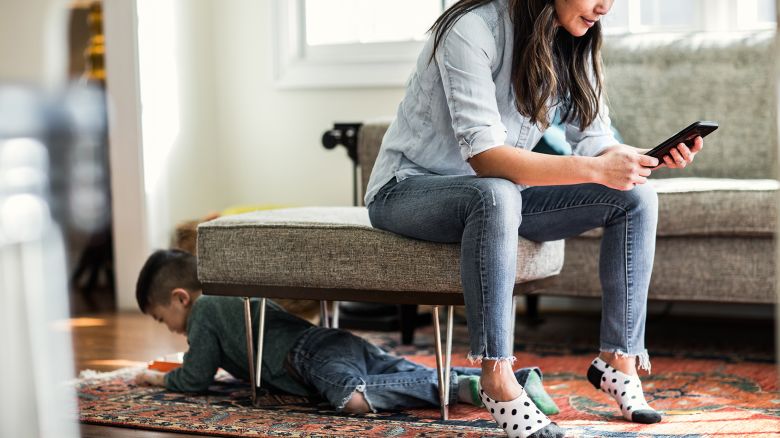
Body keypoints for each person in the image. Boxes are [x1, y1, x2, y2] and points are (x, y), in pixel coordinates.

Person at [365, 0, 705, 436]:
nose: (606, 6)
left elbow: (595, 139)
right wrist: (596, 169)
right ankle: (497, 377)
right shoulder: (471, 29)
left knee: (635, 198)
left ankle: (618, 361)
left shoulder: (574, 38)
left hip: (500, 197)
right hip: (407, 189)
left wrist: (640, 160)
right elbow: (487, 158)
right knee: (495, 193)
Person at [133, 249, 560, 417]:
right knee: (400, 370)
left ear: (180, 298)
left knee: (353, 399)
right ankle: (510, 382)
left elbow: (196, 375)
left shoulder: (205, 311)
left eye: (160, 318)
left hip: (307, 359)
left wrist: (160, 378)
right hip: (331, 342)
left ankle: (473, 388)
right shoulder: (234, 298)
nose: (167, 328)